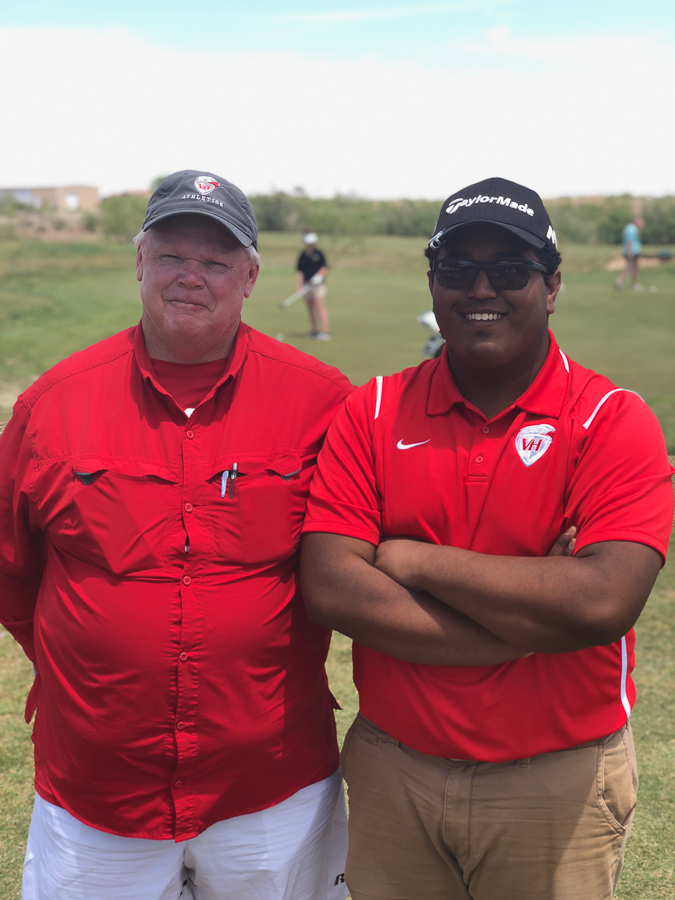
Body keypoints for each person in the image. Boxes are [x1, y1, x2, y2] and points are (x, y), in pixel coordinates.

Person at [300, 177, 674, 900]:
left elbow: (600, 604)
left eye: (508, 270)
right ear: (433, 282)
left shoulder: (611, 418)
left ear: (551, 284)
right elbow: (329, 585)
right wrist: (533, 606)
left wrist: (412, 559)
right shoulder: (370, 409)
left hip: (554, 779)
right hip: (393, 770)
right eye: (456, 269)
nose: (481, 288)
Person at [0, 170, 353, 900]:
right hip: (97, 789)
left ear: (250, 275)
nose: (191, 277)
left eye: (216, 261)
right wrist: (91, 672)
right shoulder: (53, 403)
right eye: (171, 256)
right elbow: (11, 570)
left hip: (270, 784)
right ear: (139, 262)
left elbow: (366, 554)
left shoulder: (322, 402)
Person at [296, 232, 330, 340]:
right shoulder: (303, 255)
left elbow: (324, 267)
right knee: (310, 308)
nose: (310, 245)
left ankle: (324, 332)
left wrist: (319, 277)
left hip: (317, 285)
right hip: (307, 284)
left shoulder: (319, 253)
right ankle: (314, 330)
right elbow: (300, 271)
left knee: (319, 307)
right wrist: (299, 286)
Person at [615, 214, 645, 291]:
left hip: (633, 250)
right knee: (629, 267)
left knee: (634, 267)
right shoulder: (631, 228)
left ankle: (633, 284)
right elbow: (629, 241)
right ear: (635, 220)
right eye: (640, 220)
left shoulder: (631, 228)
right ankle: (620, 281)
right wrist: (630, 251)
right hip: (632, 251)